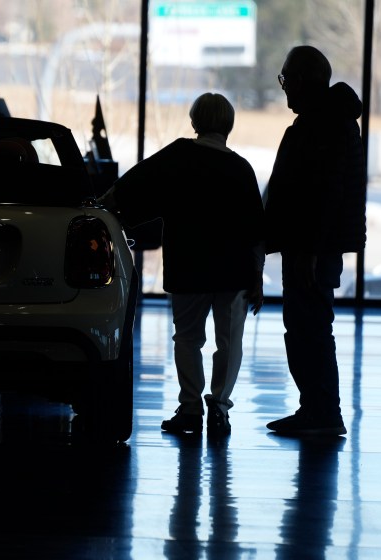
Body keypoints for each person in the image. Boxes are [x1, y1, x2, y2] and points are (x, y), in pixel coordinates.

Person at [99, 92, 264, 436]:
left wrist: (101, 204)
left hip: (189, 265)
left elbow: (132, 187)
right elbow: (255, 232)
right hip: (233, 271)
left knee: (187, 339)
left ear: (194, 121)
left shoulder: (178, 156)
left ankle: (189, 408)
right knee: (229, 341)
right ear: (229, 126)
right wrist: (257, 278)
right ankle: (219, 407)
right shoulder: (242, 169)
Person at [264, 46, 367, 436]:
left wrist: (311, 249)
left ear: (303, 81)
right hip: (313, 247)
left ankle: (321, 412)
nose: (284, 86)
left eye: (286, 78)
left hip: (311, 249)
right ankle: (317, 409)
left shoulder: (321, 127)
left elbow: (324, 195)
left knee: (309, 329)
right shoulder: (331, 122)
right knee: (309, 327)